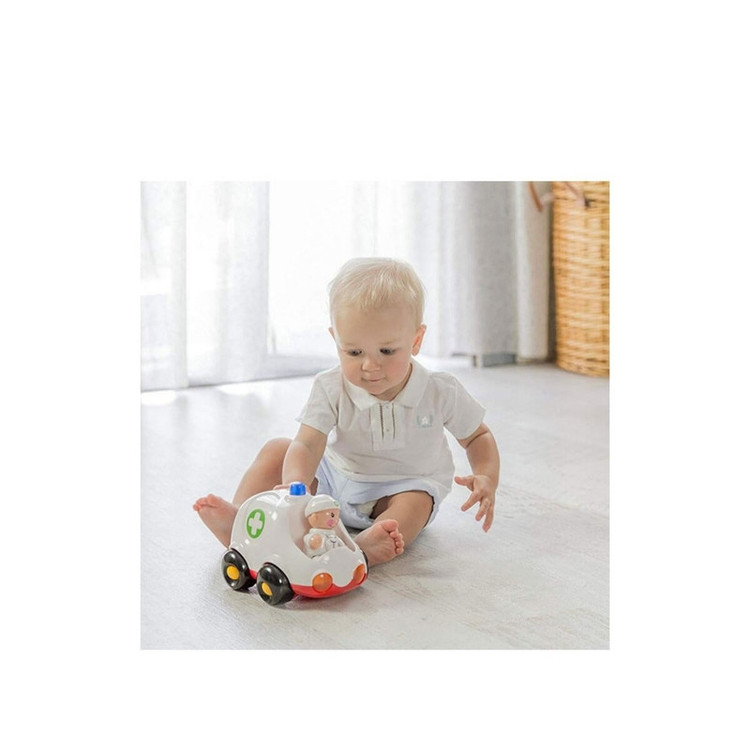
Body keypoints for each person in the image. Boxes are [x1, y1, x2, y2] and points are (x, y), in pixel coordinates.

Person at [194, 257, 500, 567]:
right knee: (277, 450)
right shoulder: (330, 386)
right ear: (336, 340)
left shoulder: (440, 390)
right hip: (334, 481)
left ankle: (361, 549)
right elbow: (307, 443)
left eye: (387, 351)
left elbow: (478, 436)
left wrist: (486, 476)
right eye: (354, 352)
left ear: (416, 340)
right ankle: (243, 520)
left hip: (401, 486)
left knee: (415, 503)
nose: (370, 365)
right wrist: (296, 486)